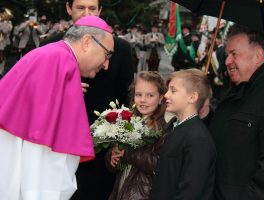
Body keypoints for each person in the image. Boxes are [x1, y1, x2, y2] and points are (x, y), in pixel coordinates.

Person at [0, 15, 114, 200]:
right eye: (107, 54)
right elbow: (39, 147)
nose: (106, 64)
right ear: (86, 42)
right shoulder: (59, 61)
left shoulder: (55, 56)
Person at [39, 0, 134, 199]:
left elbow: (126, 98)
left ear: (100, 10)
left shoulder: (122, 49)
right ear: (68, 9)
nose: (86, 13)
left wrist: (122, 141)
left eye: (92, 8)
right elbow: (38, 95)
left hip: (101, 148)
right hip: (58, 144)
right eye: (80, 8)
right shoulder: (50, 44)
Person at [209, 25, 264, 200]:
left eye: (234, 54)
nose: (227, 61)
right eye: (227, 54)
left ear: (258, 55)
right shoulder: (236, 91)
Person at [150, 68, 216, 200]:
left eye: (173, 90)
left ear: (192, 97)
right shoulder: (176, 126)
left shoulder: (198, 139)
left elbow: (190, 191)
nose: (166, 95)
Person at [106, 71, 167, 200]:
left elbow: (160, 164)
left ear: (161, 97)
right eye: (138, 94)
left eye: (150, 95)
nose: (143, 100)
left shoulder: (164, 127)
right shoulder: (128, 119)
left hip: (143, 194)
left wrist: (127, 153)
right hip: (121, 190)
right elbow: (117, 157)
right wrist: (112, 158)